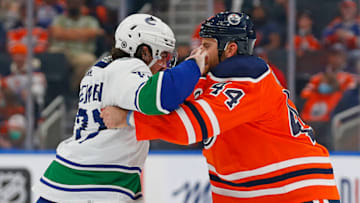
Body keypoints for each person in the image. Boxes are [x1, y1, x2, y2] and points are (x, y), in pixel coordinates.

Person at [101, 12, 340, 202]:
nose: (198, 51)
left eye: (206, 45)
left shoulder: (250, 77)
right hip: (243, 194)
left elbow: (190, 127)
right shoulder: (208, 79)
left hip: (295, 192)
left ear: (231, 49)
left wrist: (129, 118)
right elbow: (165, 101)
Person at [32, 13, 207, 203]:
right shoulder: (128, 67)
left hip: (82, 179)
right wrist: (194, 64)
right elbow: (162, 98)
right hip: (91, 185)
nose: (165, 64)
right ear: (144, 52)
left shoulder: (102, 69)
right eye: (163, 55)